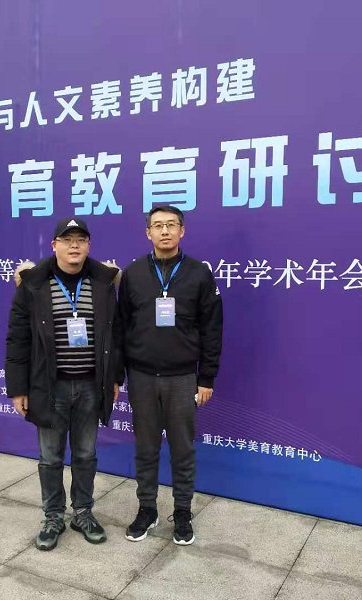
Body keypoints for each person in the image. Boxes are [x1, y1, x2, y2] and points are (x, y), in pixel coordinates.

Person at [6, 217, 123, 550]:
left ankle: (83, 512)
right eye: (67, 239)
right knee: (50, 457)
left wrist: (114, 378)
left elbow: (115, 336)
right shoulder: (33, 285)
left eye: (81, 240)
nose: (74, 245)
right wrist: (18, 388)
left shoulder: (102, 283)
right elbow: (18, 339)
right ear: (54, 245)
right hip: (49, 387)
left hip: (90, 386)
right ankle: (53, 516)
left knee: (85, 454)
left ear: (89, 246)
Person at [118, 205, 223, 545]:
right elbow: (121, 327)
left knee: (182, 450)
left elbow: (212, 329)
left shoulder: (198, 273)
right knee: (145, 448)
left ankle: (182, 513)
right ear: (148, 232)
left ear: (182, 231)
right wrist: (118, 375)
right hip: (142, 376)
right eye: (158, 226)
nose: (165, 231)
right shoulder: (133, 272)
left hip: (182, 379)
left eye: (171, 225)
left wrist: (206, 378)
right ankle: (147, 509)